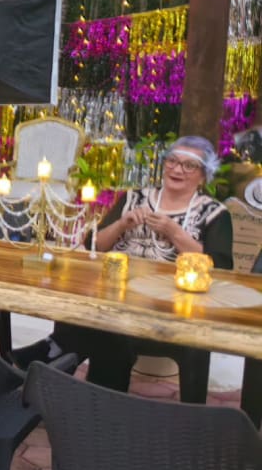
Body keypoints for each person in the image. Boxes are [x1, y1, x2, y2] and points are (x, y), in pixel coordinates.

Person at [14, 135, 233, 392]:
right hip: (114, 293)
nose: (176, 169)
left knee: (106, 329)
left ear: (204, 176)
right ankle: (96, 399)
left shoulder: (214, 213)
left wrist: (175, 233)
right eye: (172, 161)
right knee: (86, 313)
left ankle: (50, 354)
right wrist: (121, 224)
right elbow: (93, 245)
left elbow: (219, 268)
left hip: (169, 305)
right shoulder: (134, 197)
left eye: (188, 165)